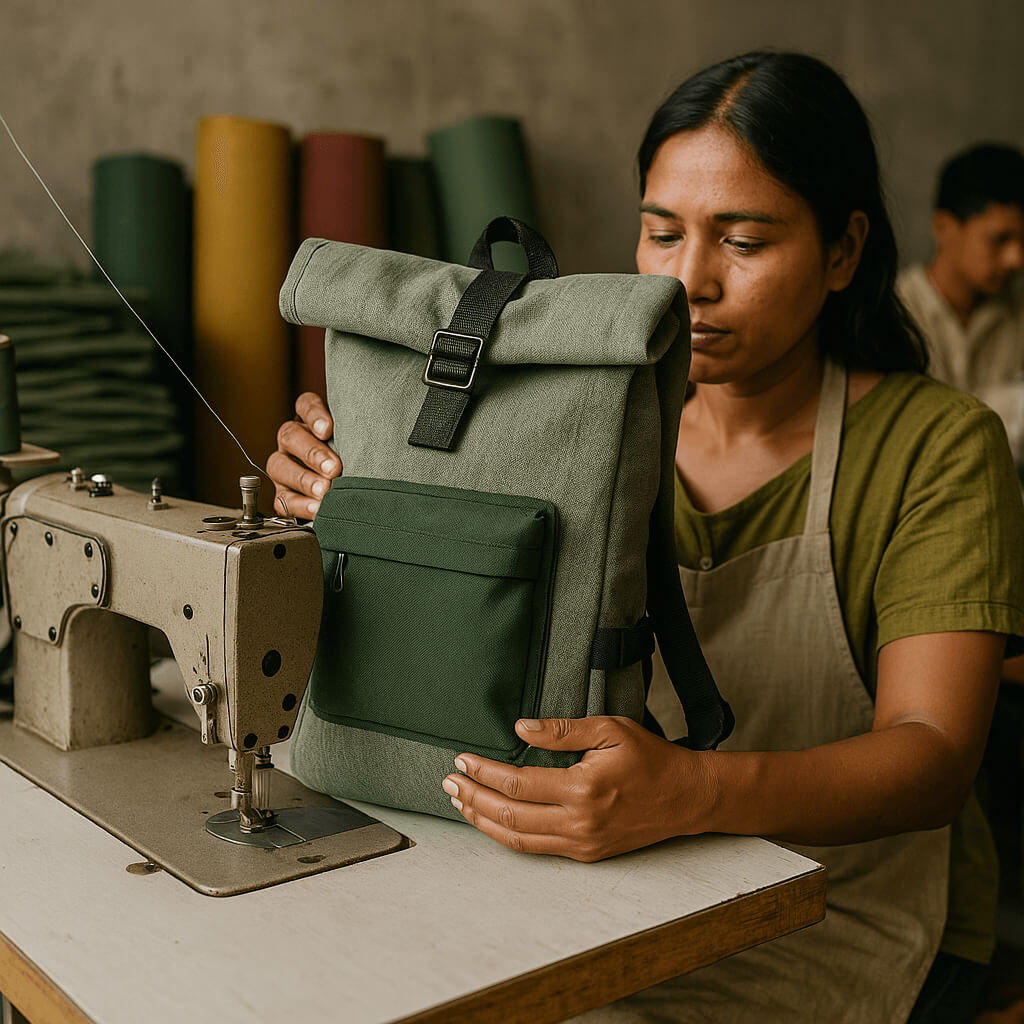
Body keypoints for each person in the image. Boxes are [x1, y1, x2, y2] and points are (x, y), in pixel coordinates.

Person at [267, 52, 1024, 1023]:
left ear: (842, 252)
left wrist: (692, 791)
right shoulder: (578, 411)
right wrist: (346, 500)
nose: (688, 281)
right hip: (596, 881)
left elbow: (931, 755)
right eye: (661, 232)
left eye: (742, 241)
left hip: (838, 911)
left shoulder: (933, 445)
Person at [897, 144, 1024, 396]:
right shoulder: (892, 316)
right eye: (999, 239)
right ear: (943, 227)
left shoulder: (1018, 313)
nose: (1016, 259)